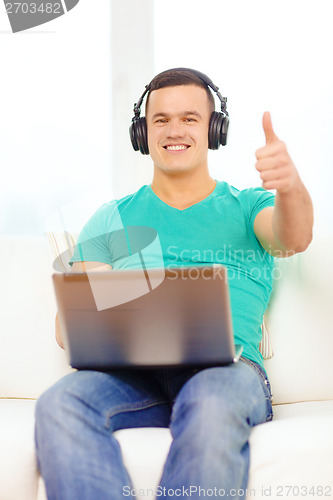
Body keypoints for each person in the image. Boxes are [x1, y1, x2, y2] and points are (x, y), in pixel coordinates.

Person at [35, 68, 313, 499]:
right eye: (160, 120)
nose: (174, 130)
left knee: (211, 400)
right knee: (61, 402)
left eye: (189, 118)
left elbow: (294, 236)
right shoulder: (111, 219)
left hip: (226, 374)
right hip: (132, 378)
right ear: (142, 133)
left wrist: (290, 187)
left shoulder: (248, 207)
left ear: (213, 130)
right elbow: (66, 329)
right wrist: (110, 289)